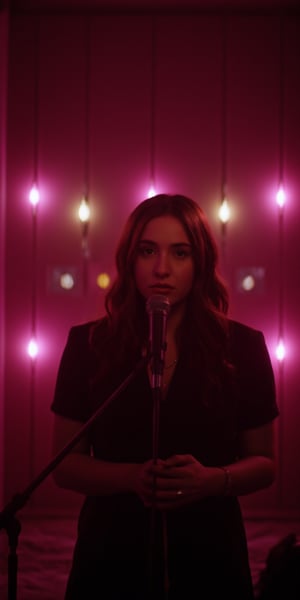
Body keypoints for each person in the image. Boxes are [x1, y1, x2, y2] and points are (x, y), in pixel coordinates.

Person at [51, 193, 279, 600]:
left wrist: (212, 481)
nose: (161, 269)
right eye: (148, 251)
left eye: (180, 253)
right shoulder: (87, 344)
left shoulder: (243, 346)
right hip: (110, 553)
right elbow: (64, 466)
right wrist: (131, 477)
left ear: (201, 262)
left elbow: (264, 464)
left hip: (212, 552)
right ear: (129, 260)